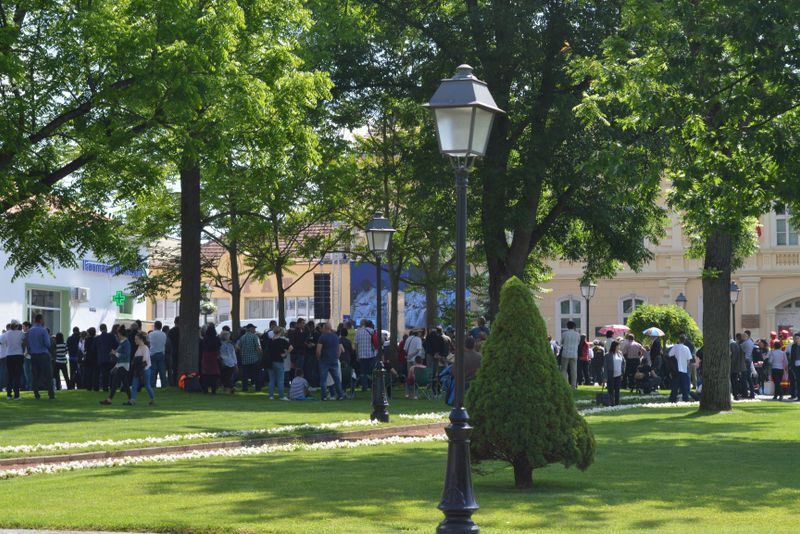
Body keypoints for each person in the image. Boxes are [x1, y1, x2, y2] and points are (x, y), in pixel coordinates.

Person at [100, 325, 131, 405]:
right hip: (121, 365)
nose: (117, 335)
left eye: (118, 334)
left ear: (120, 334)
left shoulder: (126, 343)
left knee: (115, 382)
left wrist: (115, 353)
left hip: (124, 365)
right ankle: (131, 399)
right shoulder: (123, 343)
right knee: (125, 383)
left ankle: (109, 399)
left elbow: (126, 356)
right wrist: (116, 364)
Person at [27, 314, 54, 400]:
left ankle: (36, 395)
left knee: (35, 376)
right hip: (43, 354)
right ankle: (51, 395)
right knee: (48, 375)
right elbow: (48, 344)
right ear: (40, 320)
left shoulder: (30, 331)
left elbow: (28, 344)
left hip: (34, 355)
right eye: (43, 319)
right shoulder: (43, 330)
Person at [316, 322, 344, 401]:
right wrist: (337, 356)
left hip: (324, 360)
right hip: (334, 360)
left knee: (323, 379)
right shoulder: (336, 336)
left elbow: (318, 350)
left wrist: (318, 358)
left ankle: (324, 396)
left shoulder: (322, 337)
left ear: (324, 328)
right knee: (336, 379)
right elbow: (340, 348)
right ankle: (340, 395)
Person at [127, 332, 155, 406]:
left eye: (136, 339)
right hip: (138, 369)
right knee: (134, 385)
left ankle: (152, 399)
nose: (135, 340)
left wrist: (137, 364)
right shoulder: (139, 347)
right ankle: (132, 400)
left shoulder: (145, 348)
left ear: (141, 339)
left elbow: (145, 360)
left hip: (145, 369)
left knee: (147, 385)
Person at [2, 320, 25, 400]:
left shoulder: (6, 334)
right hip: (18, 355)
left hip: (9, 355)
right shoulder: (21, 333)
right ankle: (16, 395)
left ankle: (9, 394)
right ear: (17, 326)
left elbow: (2, 342)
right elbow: (24, 342)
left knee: (10, 375)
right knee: (17, 376)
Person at [236, 324, 262, 392]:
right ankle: (258, 388)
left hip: (245, 359)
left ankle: (245, 388)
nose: (255, 330)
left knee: (245, 376)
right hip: (254, 359)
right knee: (257, 375)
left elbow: (238, 347)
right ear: (250, 329)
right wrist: (260, 355)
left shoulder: (242, 337)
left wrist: (243, 352)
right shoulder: (255, 336)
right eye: (254, 328)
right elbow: (258, 347)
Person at [267, 326, 290, 400]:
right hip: (279, 361)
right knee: (280, 380)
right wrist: (286, 354)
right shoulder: (282, 341)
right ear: (280, 332)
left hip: (270, 362)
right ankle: (281, 396)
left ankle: (271, 395)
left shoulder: (270, 341)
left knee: (272, 380)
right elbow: (291, 347)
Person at [668, 334, 694, 402]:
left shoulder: (675, 347)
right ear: (685, 340)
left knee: (675, 386)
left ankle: (672, 399)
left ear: (678, 340)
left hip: (676, 369)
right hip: (684, 370)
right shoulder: (686, 348)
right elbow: (689, 359)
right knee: (685, 387)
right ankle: (685, 399)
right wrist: (685, 365)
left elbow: (670, 355)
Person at [354, 319, 376, 391]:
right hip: (371, 354)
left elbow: (356, 345)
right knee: (371, 371)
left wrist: (357, 355)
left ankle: (364, 386)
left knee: (363, 372)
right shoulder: (372, 331)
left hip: (361, 355)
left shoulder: (358, 332)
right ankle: (372, 385)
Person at [200, 323, 221, 394]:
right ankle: (213, 389)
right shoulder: (216, 339)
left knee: (206, 373)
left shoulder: (204, 339)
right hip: (214, 356)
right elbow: (219, 347)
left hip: (206, 356)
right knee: (214, 373)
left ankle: (205, 388)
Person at [95, 323, 117, 391]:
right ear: (106, 328)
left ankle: (105, 387)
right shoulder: (111, 336)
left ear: (100, 329)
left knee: (103, 373)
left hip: (101, 358)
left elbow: (93, 348)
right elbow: (116, 345)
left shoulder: (97, 338)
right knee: (110, 373)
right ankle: (110, 386)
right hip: (110, 357)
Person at [560, 321, 581, 389]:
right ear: (574, 327)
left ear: (567, 326)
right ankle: (573, 386)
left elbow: (561, 342)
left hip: (565, 353)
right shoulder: (577, 334)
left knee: (564, 369)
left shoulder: (564, 334)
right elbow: (578, 343)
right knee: (574, 370)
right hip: (574, 354)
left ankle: (564, 384)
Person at [604, 341, 625, 406]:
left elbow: (623, 363)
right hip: (610, 375)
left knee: (617, 390)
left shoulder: (620, 354)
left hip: (618, 375)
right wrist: (605, 377)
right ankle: (611, 403)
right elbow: (605, 366)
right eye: (618, 345)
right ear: (615, 346)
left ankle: (617, 403)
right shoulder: (608, 355)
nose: (619, 347)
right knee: (610, 390)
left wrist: (622, 372)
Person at [148, 320, 168, 389]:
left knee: (153, 371)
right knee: (162, 371)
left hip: (153, 353)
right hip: (161, 353)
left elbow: (148, 343)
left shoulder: (151, 334)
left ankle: (152, 385)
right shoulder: (164, 334)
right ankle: (164, 385)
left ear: (155, 326)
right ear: (161, 327)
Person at [730, 334, 748, 400]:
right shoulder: (737, 345)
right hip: (736, 366)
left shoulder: (732, 345)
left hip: (732, 366)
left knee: (733, 380)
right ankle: (736, 394)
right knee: (735, 380)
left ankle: (735, 394)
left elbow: (732, 357)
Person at [167, 317, 180, 386]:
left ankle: (174, 382)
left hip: (173, 351)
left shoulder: (171, 331)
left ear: (175, 322)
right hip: (181, 351)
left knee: (174, 368)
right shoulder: (182, 331)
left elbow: (168, 342)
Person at [788, 333, 800, 400]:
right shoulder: (794, 346)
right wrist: (791, 365)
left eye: (798, 338)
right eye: (796, 338)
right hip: (795, 365)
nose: (796, 339)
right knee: (798, 380)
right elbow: (792, 356)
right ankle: (798, 396)